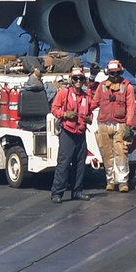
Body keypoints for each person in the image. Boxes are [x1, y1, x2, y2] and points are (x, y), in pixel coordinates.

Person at [92, 58, 136, 191]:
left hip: (120, 124)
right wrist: (83, 112)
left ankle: (123, 181)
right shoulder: (101, 87)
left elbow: (131, 107)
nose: (115, 76)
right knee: (107, 154)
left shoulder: (127, 87)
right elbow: (94, 102)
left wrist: (129, 125)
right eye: (112, 73)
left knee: (121, 153)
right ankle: (110, 180)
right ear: (108, 73)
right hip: (104, 124)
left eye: (117, 73)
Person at [49, 65, 93, 202]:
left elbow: (90, 114)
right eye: (76, 79)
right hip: (67, 132)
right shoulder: (64, 93)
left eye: (80, 78)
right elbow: (54, 109)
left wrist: (89, 120)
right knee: (64, 163)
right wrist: (65, 114)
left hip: (80, 132)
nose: (78, 81)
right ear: (72, 80)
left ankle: (77, 191)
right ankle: (57, 193)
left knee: (80, 164)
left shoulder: (86, 97)